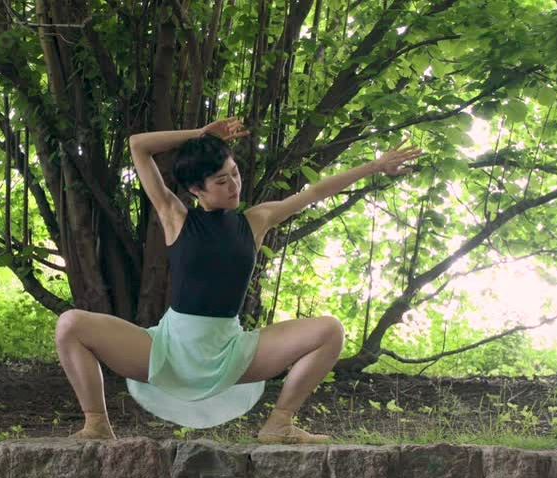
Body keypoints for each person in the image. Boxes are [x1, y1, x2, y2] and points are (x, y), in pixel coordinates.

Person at [54, 116, 422, 443]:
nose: (234, 185)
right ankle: (96, 424)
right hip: (167, 350)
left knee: (330, 331)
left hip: (230, 352)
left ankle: (279, 423)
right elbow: (138, 145)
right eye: (221, 180)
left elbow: (315, 192)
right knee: (70, 324)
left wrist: (375, 166)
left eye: (235, 173)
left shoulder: (256, 220)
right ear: (196, 189)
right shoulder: (175, 217)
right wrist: (200, 133)